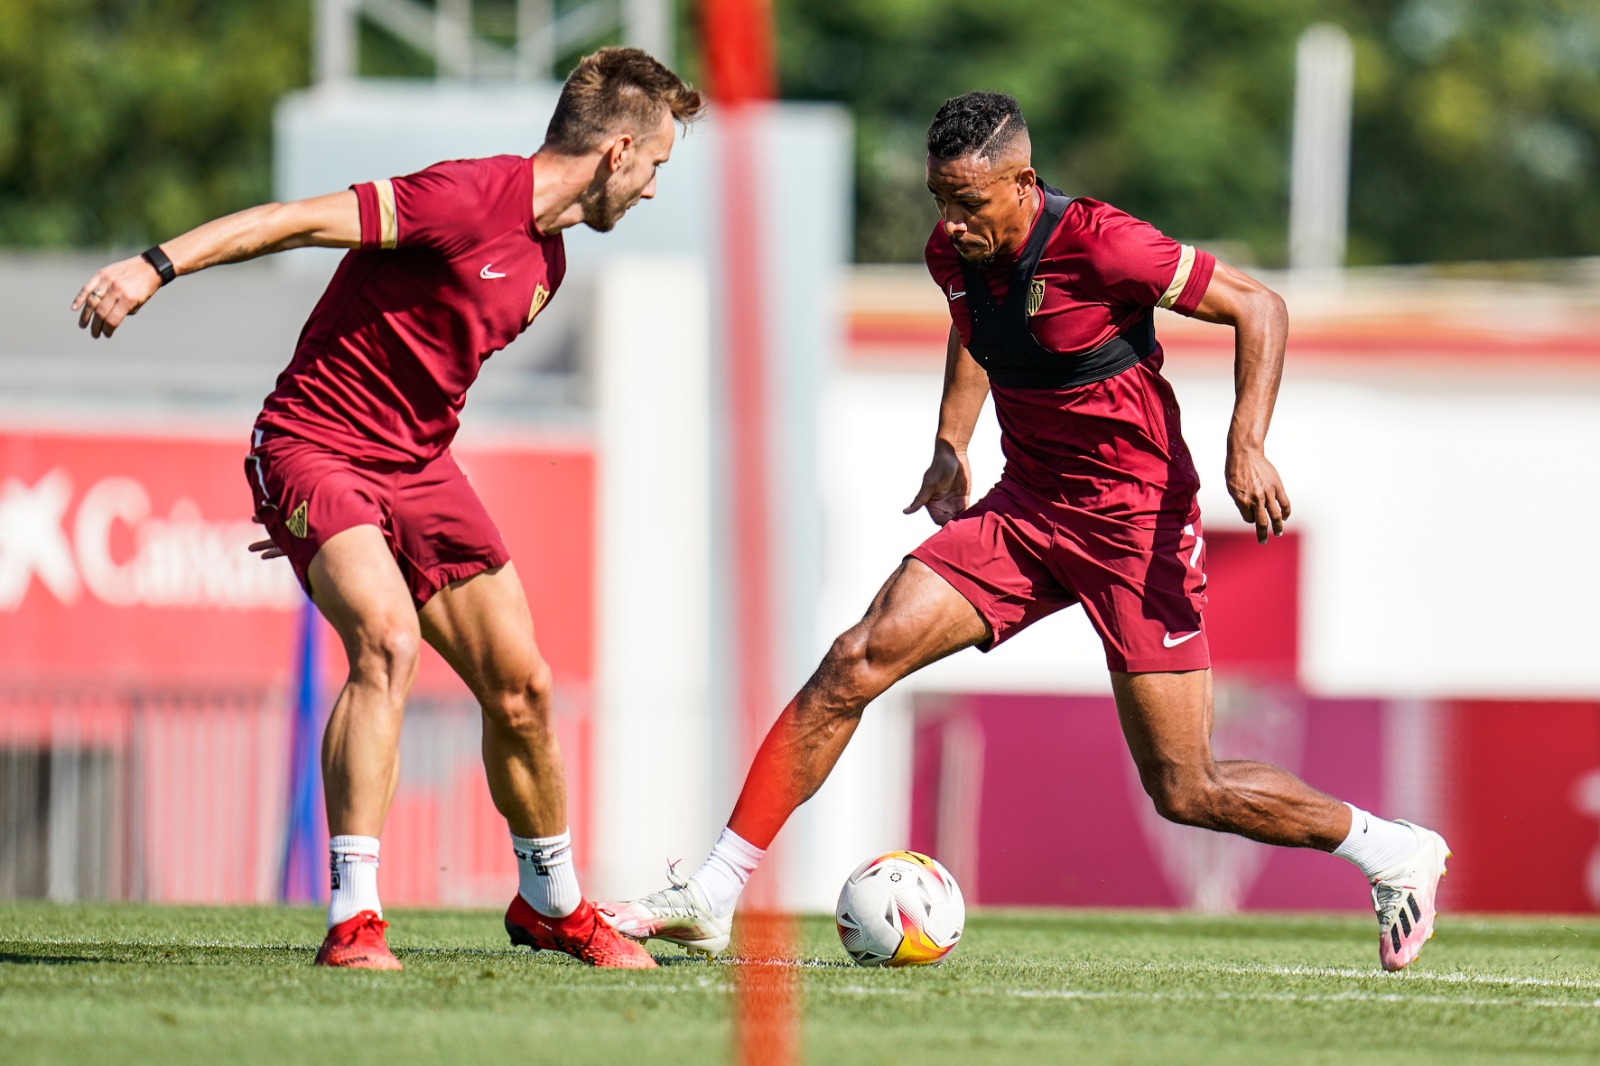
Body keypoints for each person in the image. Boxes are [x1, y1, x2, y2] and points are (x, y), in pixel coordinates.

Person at [604, 91, 1450, 973]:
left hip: (1137, 526)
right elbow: (978, 329)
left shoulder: (1101, 241)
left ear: (1023, 184)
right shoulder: (953, 252)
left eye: (969, 203)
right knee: (855, 659)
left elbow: (1259, 306)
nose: (951, 222)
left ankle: (1391, 850)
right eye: (940, 198)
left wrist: (1248, 445)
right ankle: (713, 892)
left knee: (1186, 789)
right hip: (1028, 509)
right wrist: (950, 442)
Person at [71, 48, 704, 971]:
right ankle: (355, 919)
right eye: (655, 166)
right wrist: (154, 266)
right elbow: (291, 222)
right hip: (314, 446)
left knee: (523, 689)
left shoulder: (549, 261)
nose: (653, 189)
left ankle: (552, 904)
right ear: (616, 152)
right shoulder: (461, 198)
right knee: (389, 643)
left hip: (415, 468)